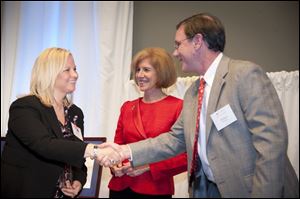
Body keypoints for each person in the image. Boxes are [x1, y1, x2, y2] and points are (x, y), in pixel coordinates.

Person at [99, 13, 299, 198]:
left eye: (178, 45)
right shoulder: (194, 91)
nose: (175, 53)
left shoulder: (244, 74)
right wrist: (124, 151)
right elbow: (174, 139)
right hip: (207, 190)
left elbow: (271, 145)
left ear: (197, 41)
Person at [1, 47, 121, 198]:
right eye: (67, 70)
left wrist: (78, 180)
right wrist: (95, 150)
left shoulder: (75, 113)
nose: (75, 74)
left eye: (75, 69)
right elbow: (44, 145)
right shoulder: (25, 107)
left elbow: (77, 156)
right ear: (49, 73)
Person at [108, 47, 187, 198]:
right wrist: (114, 165)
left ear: (161, 72)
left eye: (146, 70)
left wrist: (149, 167)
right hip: (121, 186)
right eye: (138, 70)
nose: (139, 75)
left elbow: (186, 156)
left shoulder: (178, 107)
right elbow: (117, 147)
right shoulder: (127, 107)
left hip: (155, 189)